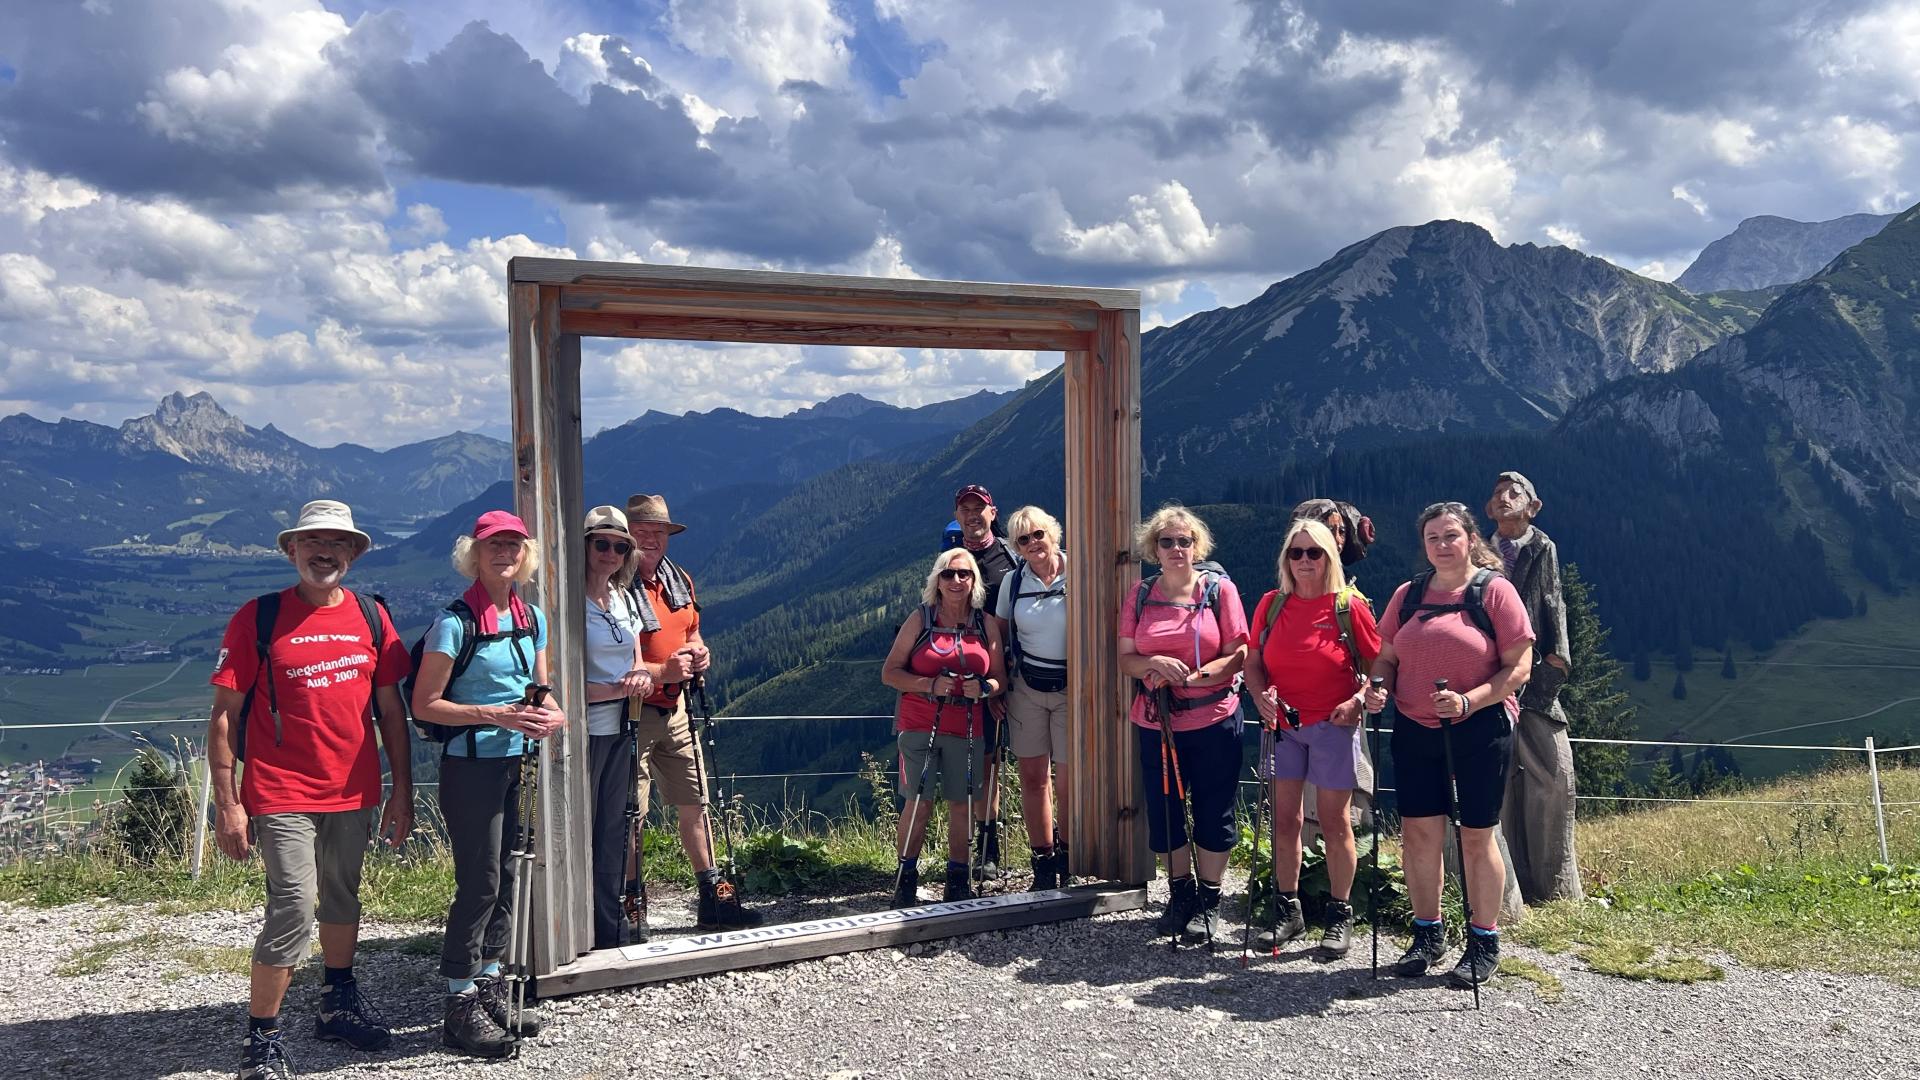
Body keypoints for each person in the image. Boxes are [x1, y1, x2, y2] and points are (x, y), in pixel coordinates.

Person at [208, 500, 412, 1080]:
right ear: (291, 549)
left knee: (344, 896)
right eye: (313, 541)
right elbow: (225, 714)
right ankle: (262, 1037)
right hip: (279, 790)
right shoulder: (260, 617)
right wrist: (228, 804)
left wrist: (400, 790)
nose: (325, 551)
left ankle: (336, 1002)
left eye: (338, 543)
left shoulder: (372, 617)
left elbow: (391, 711)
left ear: (352, 553)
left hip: (354, 789)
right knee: (294, 905)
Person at [411, 510, 568, 1058]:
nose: (505, 554)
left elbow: (537, 690)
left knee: (506, 876)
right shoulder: (453, 623)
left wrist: (554, 714)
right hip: (471, 766)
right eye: (493, 546)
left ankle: (490, 985)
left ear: (525, 555)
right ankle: (459, 1006)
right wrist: (495, 715)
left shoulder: (532, 618)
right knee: (478, 882)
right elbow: (424, 704)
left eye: (514, 546)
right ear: (472, 556)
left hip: (516, 763)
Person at [1363, 502, 1534, 988]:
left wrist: (1468, 701)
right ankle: (1428, 933)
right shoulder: (1409, 594)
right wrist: (1377, 686)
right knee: (1419, 836)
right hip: (1416, 728)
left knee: (1477, 837)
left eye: (1451, 535)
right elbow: (1387, 657)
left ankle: (1483, 939)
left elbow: (1519, 667)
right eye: (1433, 537)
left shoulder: (1494, 592)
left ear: (1470, 539)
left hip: (1480, 729)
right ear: (1424, 544)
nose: (1442, 544)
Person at [1242, 518, 1381, 956]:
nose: (1304, 561)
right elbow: (1253, 659)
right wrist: (1258, 694)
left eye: (1314, 553)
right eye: (1295, 553)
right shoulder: (1272, 604)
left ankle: (1340, 914)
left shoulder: (1348, 606)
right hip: (1283, 726)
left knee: (1336, 820)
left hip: (1334, 728)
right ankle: (1288, 908)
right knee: (1285, 820)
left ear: (1329, 557)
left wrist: (1359, 701)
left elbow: (1381, 667)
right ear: (1286, 558)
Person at [625, 493, 761, 929]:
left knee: (696, 803)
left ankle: (714, 898)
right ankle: (633, 907)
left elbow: (694, 633)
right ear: (627, 535)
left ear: (669, 536)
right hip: (631, 712)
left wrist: (701, 654)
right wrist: (663, 669)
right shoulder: (615, 585)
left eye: (658, 532)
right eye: (641, 532)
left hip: (676, 708)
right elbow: (607, 662)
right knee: (633, 813)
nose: (651, 539)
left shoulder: (679, 580)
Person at [1119, 505, 1249, 946]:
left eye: (1185, 541)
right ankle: (1181, 895)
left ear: (1198, 546)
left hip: (1214, 718)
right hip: (1157, 721)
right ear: (1153, 549)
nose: (1177, 549)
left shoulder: (1219, 591)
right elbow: (1125, 659)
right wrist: (1153, 662)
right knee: (1165, 811)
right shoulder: (1139, 595)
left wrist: (1198, 677)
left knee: (1215, 809)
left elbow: (1239, 652)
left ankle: (1209, 901)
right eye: (1167, 542)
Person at [882, 547, 1007, 904]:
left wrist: (984, 688)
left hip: (967, 723)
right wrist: (928, 685)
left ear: (974, 581)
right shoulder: (920, 618)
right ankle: (905, 876)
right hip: (920, 721)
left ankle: (958, 879)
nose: (956, 581)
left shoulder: (986, 624)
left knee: (962, 803)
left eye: (964, 574)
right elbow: (890, 673)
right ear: (937, 581)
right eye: (948, 574)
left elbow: (1000, 678)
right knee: (918, 801)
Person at [1487, 471, 1583, 903]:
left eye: (1515, 493)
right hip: (1489, 682)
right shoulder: (1480, 551)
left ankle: (1554, 884)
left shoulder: (1543, 547)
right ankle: (1503, 886)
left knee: (1553, 771)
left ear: (1533, 505)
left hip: (1536, 679)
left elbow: (1553, 603)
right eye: (1498, 494)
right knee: (1496, 781)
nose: (1504, 499)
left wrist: (1552, 670)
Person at [579, 506, 657, 949]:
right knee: (582, 831)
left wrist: (641, 675)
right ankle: (576, 928)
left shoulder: (623, 597)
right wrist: (617, 691)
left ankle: (606, 929)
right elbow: (565, 682)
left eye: (620, 545)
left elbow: (636, 657)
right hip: (585, 732)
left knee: (613, 830)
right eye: (601, 543)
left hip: (623, 728)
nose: (611, 552)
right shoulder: (569, 603)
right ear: (586, 546)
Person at [993, 505, 1070, 889]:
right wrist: (998, 683)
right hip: (1026, 688)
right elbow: (1001, 635)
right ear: (1017, 547)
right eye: (1023, 539)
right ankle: (1043, 859)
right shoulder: (1014, 582)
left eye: (1038, 534)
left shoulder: (1079, 571)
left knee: (1070, 778)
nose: (1033, 543)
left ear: (1053, 532)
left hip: (1073, 689)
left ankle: (1071, 853)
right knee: (1033, 778)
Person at [952, 483, 1019, 880]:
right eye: (966, 509)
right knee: (981, 764)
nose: (973, 515)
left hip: (1008, 675)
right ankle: (985, 847)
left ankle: (1052, 846)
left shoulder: (1010, 558)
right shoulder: (953, 561)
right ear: (957, 515)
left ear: (993, 513)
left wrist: (1000, 682)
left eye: (980, 508)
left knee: (1013, 762)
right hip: (965, 682)